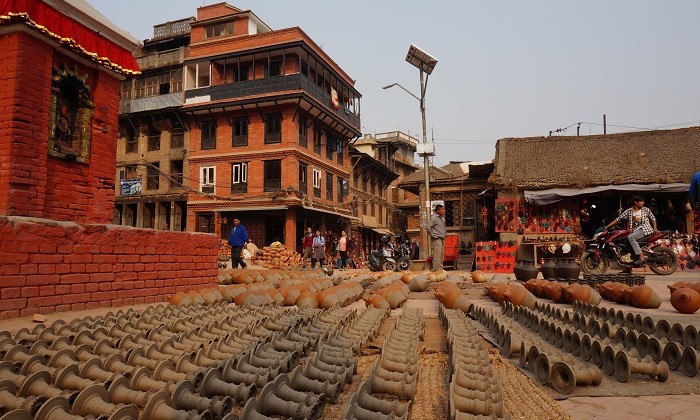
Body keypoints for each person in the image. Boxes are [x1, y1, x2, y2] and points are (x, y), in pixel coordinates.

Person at [605, 196, 657, 265]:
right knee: (624, 243)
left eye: (643, 201)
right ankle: (627, 267)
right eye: (641, 201)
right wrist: (607, 226)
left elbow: (653, 219)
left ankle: (641, 256)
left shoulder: (646, 209)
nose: (643, 203)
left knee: (631, 237)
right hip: (635, 230)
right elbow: (618, 219)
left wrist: (655, 229)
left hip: (645, 229)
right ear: (636, 202)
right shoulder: (629, 211)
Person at [428, 204, 447, 271]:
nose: (443, 211)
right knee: (437, 255)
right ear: (438, 210)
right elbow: (428, 227)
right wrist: (433, 235)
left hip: (442, 239)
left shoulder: (441, 218)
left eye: (443, 209)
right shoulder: (434, 218)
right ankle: (436, 270)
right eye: (442, 209)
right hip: (437, 239)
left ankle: (440, 269)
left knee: (441, 256)